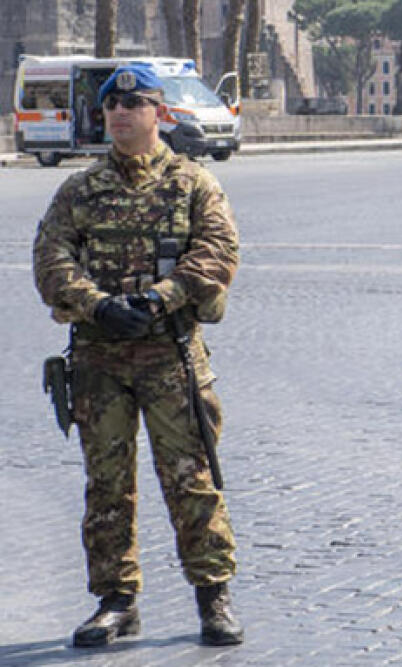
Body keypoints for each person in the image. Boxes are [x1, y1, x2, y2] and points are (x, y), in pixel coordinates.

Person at [31, 64, 244, 647]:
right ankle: (116, 602)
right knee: (107, 484)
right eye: (112, 108)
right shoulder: (80, 190)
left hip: (170, 356)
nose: (122, 114)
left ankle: (213, 596)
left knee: (191, 479)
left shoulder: (193, 182)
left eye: (135, 105)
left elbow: (218, 251)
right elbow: (50, 259)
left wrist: (158, 299)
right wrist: (97, 306)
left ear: (159, 113)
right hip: (99, 360)